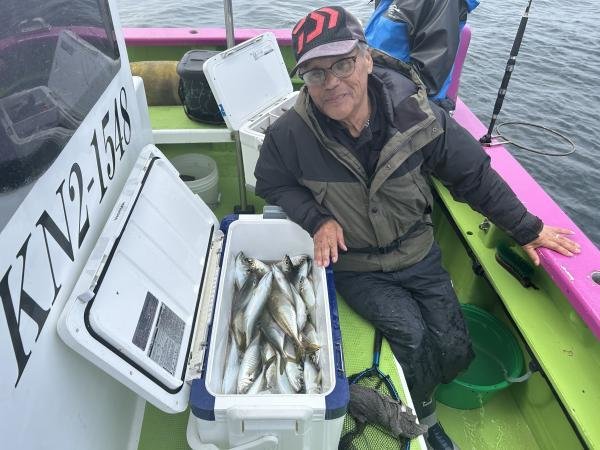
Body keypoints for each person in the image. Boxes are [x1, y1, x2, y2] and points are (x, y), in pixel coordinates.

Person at [254, 6, 579, 449]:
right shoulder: (290, 134)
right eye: (315, 73)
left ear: (367, 58)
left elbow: (473, 176)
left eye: (342, 64)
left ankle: (426, 390)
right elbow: (272, 183)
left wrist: (527, 228)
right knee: (411, 335)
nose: (331, 83)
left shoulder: (419, 115)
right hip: (357, 267)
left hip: (418, 253)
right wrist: (317, 219)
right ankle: (424, 419)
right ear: (304, 80)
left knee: (455, 346)